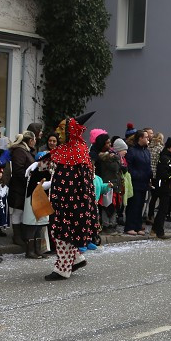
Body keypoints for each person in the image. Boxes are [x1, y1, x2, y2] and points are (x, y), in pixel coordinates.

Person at [45, 113, 99, 280]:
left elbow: (84, 183)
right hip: (61, 200)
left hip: (70, 202)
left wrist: (82, 204)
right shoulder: (64, 149)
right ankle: (76, 258)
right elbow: (51, 163)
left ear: (71, 131)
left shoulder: (79, 151)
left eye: (62, 129)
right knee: (61, 233)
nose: (57, 132)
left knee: (62, 234)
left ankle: (63, 268)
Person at [22, 152, 52, 258]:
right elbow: (38, 185)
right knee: (32, 225)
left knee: (40, 225)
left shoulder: (48, 172)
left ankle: (38, 250)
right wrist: (52, 182)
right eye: (45, 161)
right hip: (33, 199)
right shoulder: (34, 171)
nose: (47, 163)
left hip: (43, 200)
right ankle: (29, 251)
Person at [124, 129, 152, 235]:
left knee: (141, 205)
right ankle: (129, 226)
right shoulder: (132, 151)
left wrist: (150, 176)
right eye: (145, 137)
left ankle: (138, 226)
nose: (148, 138)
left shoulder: (146, 151)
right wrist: (138, 175)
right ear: (140, 138)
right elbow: (129, 167)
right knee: (133, 205)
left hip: (144, 182)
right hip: (135, 182)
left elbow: (148, 166)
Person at [152, 137, 171, 239]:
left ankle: (155, 229)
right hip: (164, 187)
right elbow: (164, 174)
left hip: (166, 186)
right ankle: (160, 231)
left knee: (163, 209)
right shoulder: (165, 158)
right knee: (163, 210)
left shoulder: (168, 157)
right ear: (168, 147)